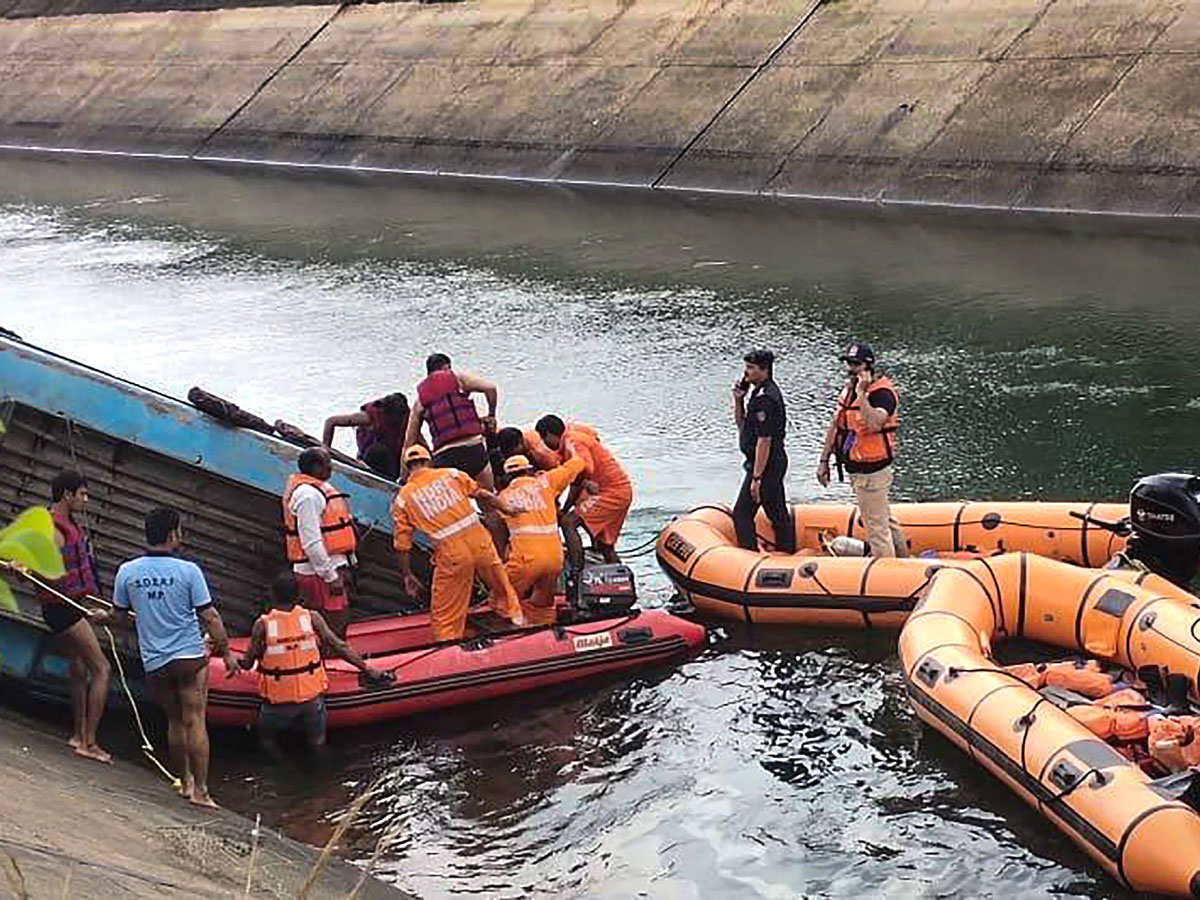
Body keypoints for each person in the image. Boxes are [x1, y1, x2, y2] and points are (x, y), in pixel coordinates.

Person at [104, 507, 238, 808]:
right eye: (179, 530)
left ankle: (185, 783)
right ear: (171, 534)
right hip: (189, 658)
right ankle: (202, 791)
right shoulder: (189, 571)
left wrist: (102, 617)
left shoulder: (127, 571)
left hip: (155, 663)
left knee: (175, 721)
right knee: (195, 720)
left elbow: (119, 617)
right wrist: (227, 653)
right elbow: (211, 617)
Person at [237, 571, 391, 757]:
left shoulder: (262, 624)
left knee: (266, 741)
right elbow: (339, 645)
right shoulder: (312, 617)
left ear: (272, 595)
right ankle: (323, 772)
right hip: (312, 703)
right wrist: (367, 668)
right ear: (298, 595)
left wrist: (236, 662)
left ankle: (284, 767)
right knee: (318, 743)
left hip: (277, 706)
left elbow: (248, 662)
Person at [392, 445, 523, 641]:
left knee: (445, 614)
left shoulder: (403, 499)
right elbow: (483, 494)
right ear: (428, 461)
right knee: (503, 588)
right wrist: (507, 508)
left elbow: (402, 545)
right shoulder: (452, 474)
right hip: (481, 543)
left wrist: (407, 575)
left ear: (407, 467)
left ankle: (449, 645)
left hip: (452, 555)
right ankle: (518, 625)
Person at [38, 471, 111, 763]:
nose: (86, 499)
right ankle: (89, 743)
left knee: (79, 667)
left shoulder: (67, 525)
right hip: (62, 609)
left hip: (69, 605)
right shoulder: (51, 527)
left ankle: (79, 733)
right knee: (102, 669)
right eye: (82, 494)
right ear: (67, 495)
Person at [817, 341, 909, 558]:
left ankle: (888, 578)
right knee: (884, 519)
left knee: (877, 530)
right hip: (856, 467)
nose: (850, 369)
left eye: (855, 364)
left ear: (867, 367)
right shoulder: (848, 391)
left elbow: (875, 423)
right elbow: (836, 425)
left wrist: (862, 394)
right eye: (848, 363)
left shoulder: (882, 394)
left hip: (873, 471)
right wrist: (824, 461)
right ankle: (904, 561)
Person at [497, 453, 588, 625]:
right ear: (530, 470)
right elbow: (577, 463)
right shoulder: (547, 482)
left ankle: (517, 630)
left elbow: (500, 534)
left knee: (499, 601)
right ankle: (546, 631)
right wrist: (570, 449)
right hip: (555, 558)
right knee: (543, 604)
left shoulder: (503, 498)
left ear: (507, 477)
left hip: (525, 561)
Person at [282, 447, 358, 638]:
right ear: (316, 467)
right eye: (328, 464)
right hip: (318, 574)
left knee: (337, 624)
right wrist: (330, 576)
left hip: (328, 569)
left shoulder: (318, 490)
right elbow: (311, 542)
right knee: (333, 628)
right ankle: (329, 661)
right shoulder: (308, 495)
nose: (331, 468)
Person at [534, 416, 633, 563]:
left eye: (543, 438)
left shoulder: (573, 442)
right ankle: (618, 573)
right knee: (604, 546)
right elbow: (576, 482)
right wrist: (569, 503)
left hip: (612, 493)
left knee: (568, 522)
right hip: (617, 491)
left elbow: (586, 468)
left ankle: (576, 569)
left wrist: (583, 483)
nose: (544, 444)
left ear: (549, 434)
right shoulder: (567, 443)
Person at [404, 353, 499, 489]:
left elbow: (409, 442)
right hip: (472, 449)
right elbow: (491, 388)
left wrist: (404, 478)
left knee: (452, 497)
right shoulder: (458, 379)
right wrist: (491, 415)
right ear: (447, 367)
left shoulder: (420, 401)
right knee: (487, 494)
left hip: (444, 457)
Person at [731, 349, 795, 553]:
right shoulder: (756, 395)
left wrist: (756, 478)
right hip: (764, 463)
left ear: (764, 370)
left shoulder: (766, 399)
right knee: (777, 513)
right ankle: (787, 551)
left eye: (751, 368)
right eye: (746, 367)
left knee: (742, 513)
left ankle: (748, 556)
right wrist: (739, 400)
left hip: (766, 465)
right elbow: (742, 426)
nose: (746, 372)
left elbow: (764, 441)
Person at [321, 392, 412, 480]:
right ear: (386, 413)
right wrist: (325, 449)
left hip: (395, 460)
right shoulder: (368, 417)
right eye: (394, 418)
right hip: (372, 459)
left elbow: (415, 438)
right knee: (378, 451)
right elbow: (331, 421)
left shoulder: (405, 417)